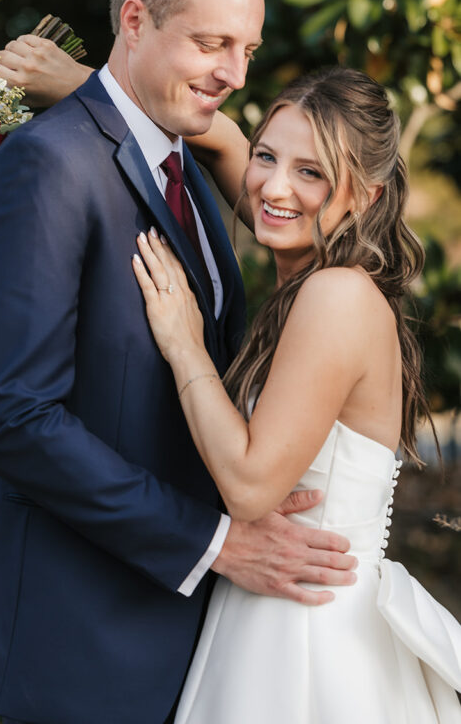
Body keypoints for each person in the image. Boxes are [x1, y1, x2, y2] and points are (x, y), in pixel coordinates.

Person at [0, 0, 359, 724]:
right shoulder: (48, 164)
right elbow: (12, 419)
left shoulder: (181, 163)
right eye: (212, 43)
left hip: (188, 638)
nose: (234, 74)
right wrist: (217, 543)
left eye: (247, 50)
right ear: (135, 20)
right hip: (83, 646)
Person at [130, 67, 461, 722]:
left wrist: (183, 342)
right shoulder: (311, 274)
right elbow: (224, 141)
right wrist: (83, 84)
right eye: (266, 157)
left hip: (307, 633)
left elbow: (250, 487)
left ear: (363, 196)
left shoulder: (334, 295)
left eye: (311, 172)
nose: (274, 187)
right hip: (271, 605)